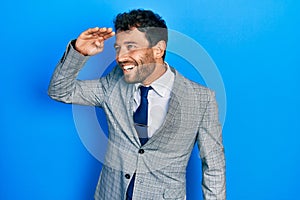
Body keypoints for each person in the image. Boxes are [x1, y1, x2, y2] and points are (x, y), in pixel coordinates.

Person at [48, 9, 226, 200]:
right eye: (118, 48)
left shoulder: (201, 99)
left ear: (158, 49)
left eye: (131, 46)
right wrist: (79, 52)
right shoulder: (112, 84)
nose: (121, 57)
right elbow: (60, 91)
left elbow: (214, 166)